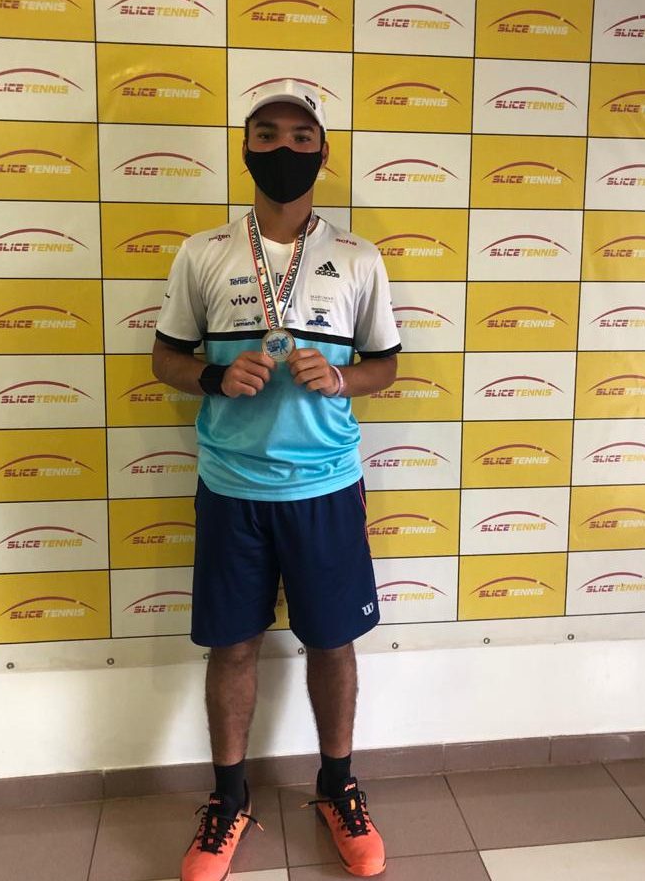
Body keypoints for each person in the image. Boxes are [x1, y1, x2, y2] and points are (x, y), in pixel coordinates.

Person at [152, 79, 401, 880]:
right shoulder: (202, 252)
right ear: (246, 149)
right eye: (267, 135)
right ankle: (229, 798)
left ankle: (338, 785)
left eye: (301, 137)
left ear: (323, 153)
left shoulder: (359, 257)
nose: (284, 149)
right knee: (232, 647)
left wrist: (343, 379)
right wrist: (215, 378)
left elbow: (386, 366)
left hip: (325, 487)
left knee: (332, 642)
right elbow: (165, 359)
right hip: (232, 487)